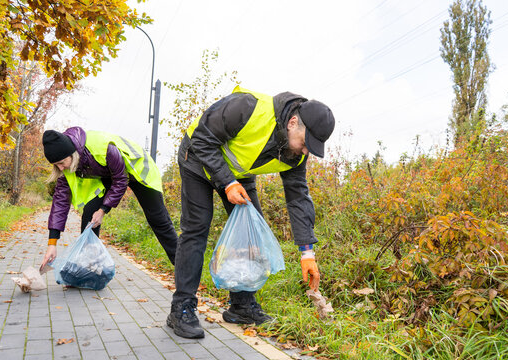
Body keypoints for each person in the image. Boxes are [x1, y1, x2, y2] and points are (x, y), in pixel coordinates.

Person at [167, 86, 335, 338]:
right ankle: (181, 308)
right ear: (292, 123)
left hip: (238, 175)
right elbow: (203, 140)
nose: (305, 151)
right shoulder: (247, 107)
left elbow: (298, 198)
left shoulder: (296, 155)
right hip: (198, 160)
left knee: (252, 234)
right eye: (305, 142)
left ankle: (241, 306)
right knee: (196, 228)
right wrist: (227, 182)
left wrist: (307, 252)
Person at [39, 126, 178, 273]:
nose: (60, 168)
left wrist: (103, 210)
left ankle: (184, 268)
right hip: (109, 175)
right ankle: (88, 270)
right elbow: (60, 202)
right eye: (56, 165)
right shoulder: (67, 164)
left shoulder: (103, 148)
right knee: (89, 214)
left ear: (72, 154)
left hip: (138, 170)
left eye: (61, 162)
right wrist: (52, 243)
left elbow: (121, 180)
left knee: (158, 220)